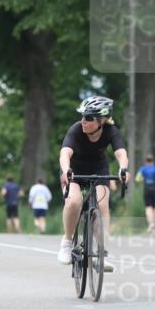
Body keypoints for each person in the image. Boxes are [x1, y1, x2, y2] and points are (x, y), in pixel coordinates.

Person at [58, 96, 129, 271]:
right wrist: (66, 169)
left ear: (101, 121)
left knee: (102, 205)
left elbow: (121, 152)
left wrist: (123, 169)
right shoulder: (76, 130)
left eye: (88, 118)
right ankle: (67, 241)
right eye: (83, 116)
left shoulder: (110, 131)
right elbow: (65, 153)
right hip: (73, 169)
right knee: (74, 201)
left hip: (98, 168)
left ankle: (102, 254)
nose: (83, 121)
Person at [136, 154, 155, 234]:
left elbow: (137, 179)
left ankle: (151, 224)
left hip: (147, 189)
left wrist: (143, 179)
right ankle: (154, 228)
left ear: (146, 161)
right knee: (154, 208)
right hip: (154, 189)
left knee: (148, 208)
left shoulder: (143, 169)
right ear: (153, 161)